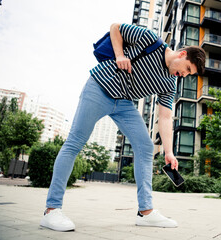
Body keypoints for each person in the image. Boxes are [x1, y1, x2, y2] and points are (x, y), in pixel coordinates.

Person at [40, 22, 205, 231]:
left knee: (145, 147)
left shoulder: (169, 83)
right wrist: (119, 55)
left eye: (188, 75)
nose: (183, 75)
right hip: (100, 87)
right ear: (182, 54)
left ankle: (146, 212)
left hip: (124, 102)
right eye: (187, 69)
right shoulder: (150, 39)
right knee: (75, 142)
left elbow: (165, 117)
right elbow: (116, 27)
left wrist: (169, 152)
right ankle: (51, 210)